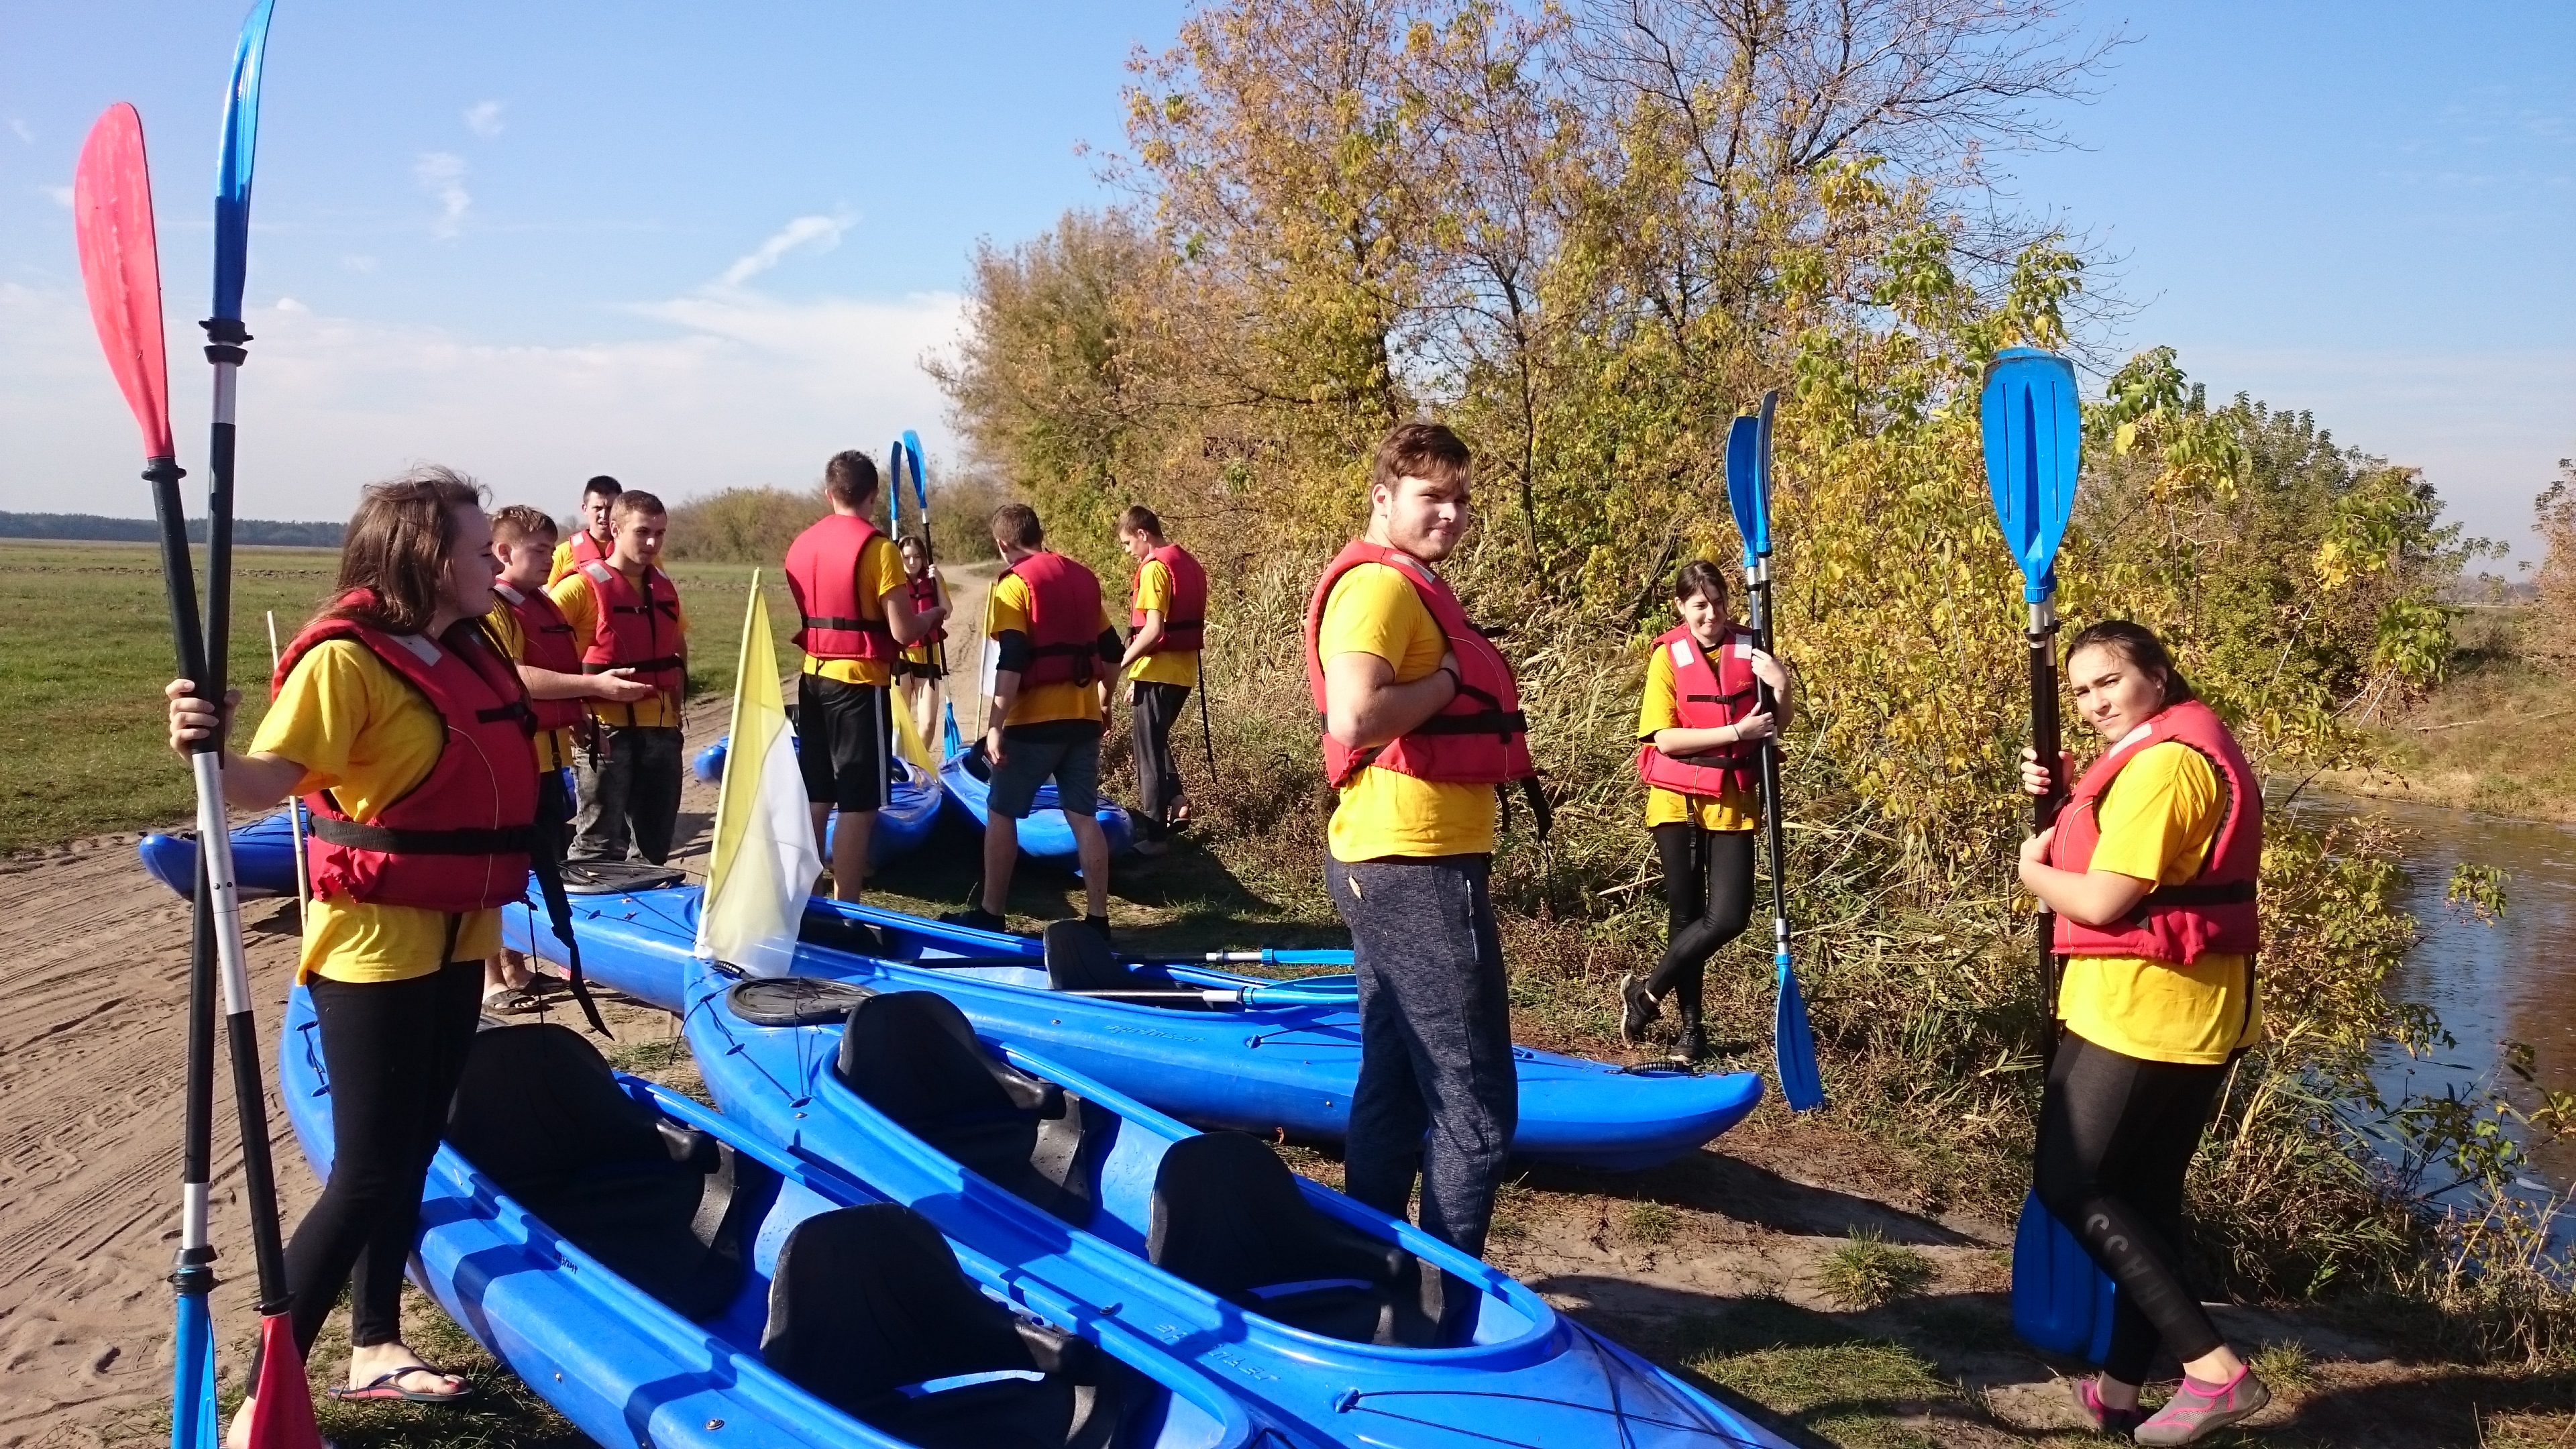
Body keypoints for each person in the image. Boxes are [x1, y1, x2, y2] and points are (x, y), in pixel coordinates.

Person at [164, 468, 529, 1438]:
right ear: (426, 558)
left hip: (458, 933)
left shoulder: (464, 644)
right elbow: (263, 782)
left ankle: (375, 1347)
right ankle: (260, 1404)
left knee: (415, 1147)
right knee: (367, 1171)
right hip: (373, 948)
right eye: (479, 550)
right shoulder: (345, 663)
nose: (495, 564)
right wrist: (208, 744)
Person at [2017, 620, 2267, 1445]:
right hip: (2170, 1006)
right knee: (2147, 1206)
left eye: (2110, 682)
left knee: (2072, 1183)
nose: (2094, 702)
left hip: (2151, 1011)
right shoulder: (2151, 753)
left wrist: (2032, 869)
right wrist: (2067, 797)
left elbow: (2099, 900)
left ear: (2156, 676)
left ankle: (2215, 1372)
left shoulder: (2166, 766)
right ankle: (2119, 1392)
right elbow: (2118, 839)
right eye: (2082, 690)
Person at [1304, 421, 1534, 1257]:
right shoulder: (1380, 589)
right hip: (1414, 862)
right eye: (1432, 496)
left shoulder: (1404, 584)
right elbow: (1355, 714)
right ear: (1383, 497)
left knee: (1397, 1078)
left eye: (1462, 499)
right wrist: (1446, 680)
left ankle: (1364, 1263)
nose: (1451, 514)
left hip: (1393, 858)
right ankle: (1445, 1299)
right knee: (1476, 1105)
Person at [480, 504, 655, 1010]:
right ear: (504, 551)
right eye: (538, 551)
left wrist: (579, 715)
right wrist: (593, 687)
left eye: (550, 549)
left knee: (533, 869)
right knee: (500, 870)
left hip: (548, 761)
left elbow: (555, 670)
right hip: (512, 762)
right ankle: (491, 980)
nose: (549, 559)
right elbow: (514, 676)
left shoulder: (543, 604)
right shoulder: (494, 608)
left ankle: (518, 967)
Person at [1619, 561, 1792, 1063]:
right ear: (1681, 607)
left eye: (1718, 603)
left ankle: (1646, 993)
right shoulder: (1666, 658)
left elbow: (1776, 724)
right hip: (1679, 801)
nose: (1711, 614)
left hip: (1732, 797)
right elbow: (1665, 739)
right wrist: (1737, 732)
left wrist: (1781, 684)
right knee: (1686, 915)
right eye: (1699, 606)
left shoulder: (1753, 648)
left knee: (1730, 916)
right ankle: (1691, 1030)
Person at [941, 503, 1121, 936]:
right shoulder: (1083, 578)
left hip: (1033, 724)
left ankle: (992, 913)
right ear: (1038, 534)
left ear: (1003, 544)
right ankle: (1098, 919)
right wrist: (1104, 701)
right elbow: (1113, 650)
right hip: (1082, 720)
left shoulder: (1014, 585)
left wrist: (994, 726)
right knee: (1083, 816)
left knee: (1002, 811)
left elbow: (1013, 658)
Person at [782, 451, 949, 901]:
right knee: (860, 803)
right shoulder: (880, 550)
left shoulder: (800, 545)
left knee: (818, 794)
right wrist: (934, 613)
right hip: (858, 683)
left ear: (828, 493)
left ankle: (808, 898)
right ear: (873, 495)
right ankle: (848, 907)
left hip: (812, 679)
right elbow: (903, 631)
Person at [551, 490, 688, 865]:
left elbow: (678, 646)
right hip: (604, 731)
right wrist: (574, 712)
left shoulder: (663, 586)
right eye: (642, 532)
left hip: (661, 730)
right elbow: (541, 654)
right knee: (598, 843)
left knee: (654, 846)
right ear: (615, 529)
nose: (652, 543)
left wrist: (677, 703)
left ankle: (644, 898)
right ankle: (583, 899)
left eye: (659, 533)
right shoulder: (578, 587)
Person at [1113, 504, 1206, 855]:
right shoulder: (1188, 561)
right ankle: (1177, 802)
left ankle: (1155, 838)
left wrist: (1120, 666)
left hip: (1158, 672)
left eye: (1127, 543)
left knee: (1147, 752)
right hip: (1182, 673)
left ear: (1142, 534)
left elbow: (1153, 630)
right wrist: (1137, 678)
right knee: (1156, 739)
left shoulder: (1155, 568)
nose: (1128, 551)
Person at [894, 533, 949, 749]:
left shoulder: (933, 581)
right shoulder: (894, 581)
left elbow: (947, 612)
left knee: (928, 724)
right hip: (901, 656)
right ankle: (899, 763)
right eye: (906, 557)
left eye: (917, 557)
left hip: (928, 655)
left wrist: (939, 581)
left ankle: (918, 761)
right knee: (900, 724)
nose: (912, 562)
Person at [545, 474, 622, 586]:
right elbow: (549, 595)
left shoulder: (633, 551)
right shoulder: (563, 553)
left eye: (610, 509)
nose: (604, 515)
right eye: (598, 508)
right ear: (585, 509)